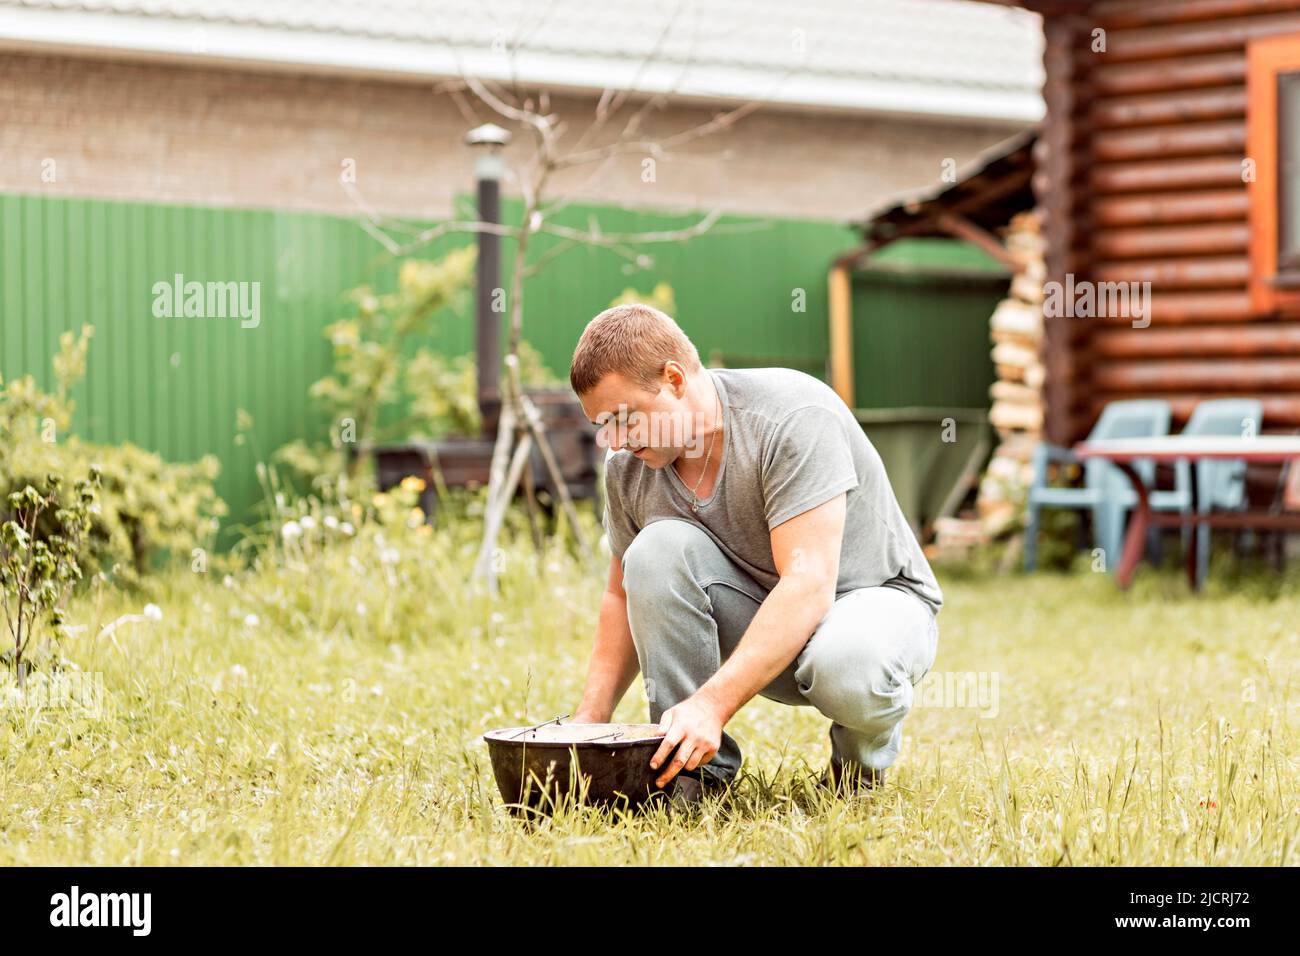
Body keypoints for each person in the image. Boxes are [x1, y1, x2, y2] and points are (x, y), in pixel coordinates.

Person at [568, 303, 941, 801]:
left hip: (870, 606)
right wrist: (587, 724)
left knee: (848, 663)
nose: (613, 440)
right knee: (653, 551)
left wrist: (712, 704)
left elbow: (808, 587)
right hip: (765, 621)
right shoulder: (628, 466)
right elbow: (621, 594)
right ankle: (691, 776)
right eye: (602, 424)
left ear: (674, 379)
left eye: (623, 418)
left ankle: (859, 774)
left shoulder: (791, 417)